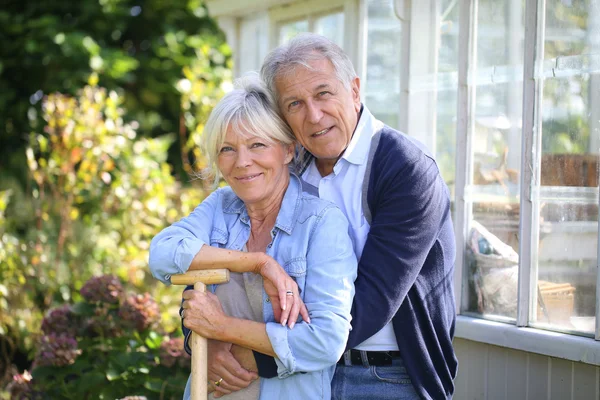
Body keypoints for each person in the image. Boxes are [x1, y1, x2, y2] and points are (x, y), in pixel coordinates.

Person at [191, 33, 458, 400]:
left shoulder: (406, 169)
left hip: (384, 376)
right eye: (295, 104)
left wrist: (252, 354)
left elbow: (373, 300)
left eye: (323, 94)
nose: (314, 115)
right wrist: (205, 339)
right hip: (295, 378)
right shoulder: (285, 163)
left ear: (354, 90)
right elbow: (214, 245)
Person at [149, 74, 358, 400]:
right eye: (227, 149)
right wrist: (258, 263)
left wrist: (218, 329)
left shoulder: (320, 223)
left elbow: (325, 342)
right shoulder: (220, 207)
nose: (242, 162)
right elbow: (161, 254)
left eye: (257, 145)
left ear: (288, 150)